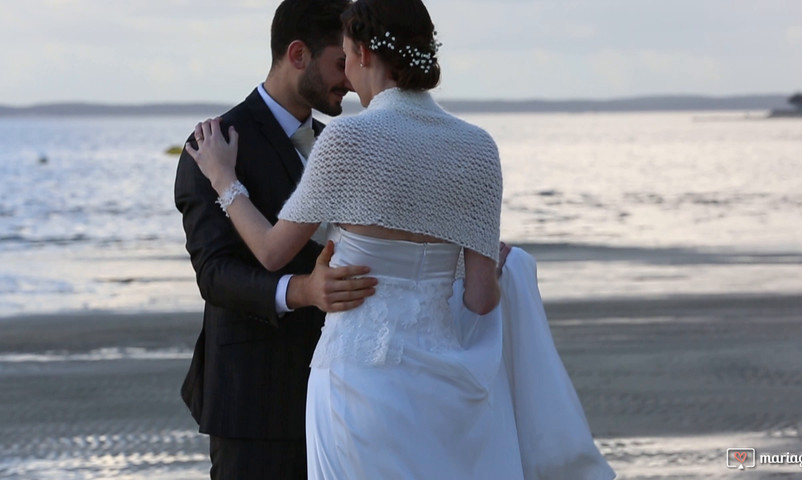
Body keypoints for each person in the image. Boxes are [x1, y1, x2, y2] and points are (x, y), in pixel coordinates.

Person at [188, 0, 615, 478]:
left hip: (356, 385)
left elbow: (270, 252)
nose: (348, 75)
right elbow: (479, 300)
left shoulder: (346, 139)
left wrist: (225, 182)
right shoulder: (479, 147)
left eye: (347, 56)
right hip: (442, 385)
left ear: (366, 53)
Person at [173, 1, 378, 478]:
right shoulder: (216, 144)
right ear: (298, 54)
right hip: (252, 399)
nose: (350, 79)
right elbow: (215, 273)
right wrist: (302, 291)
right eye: (340, 63)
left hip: (343, 393)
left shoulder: (340, 143)